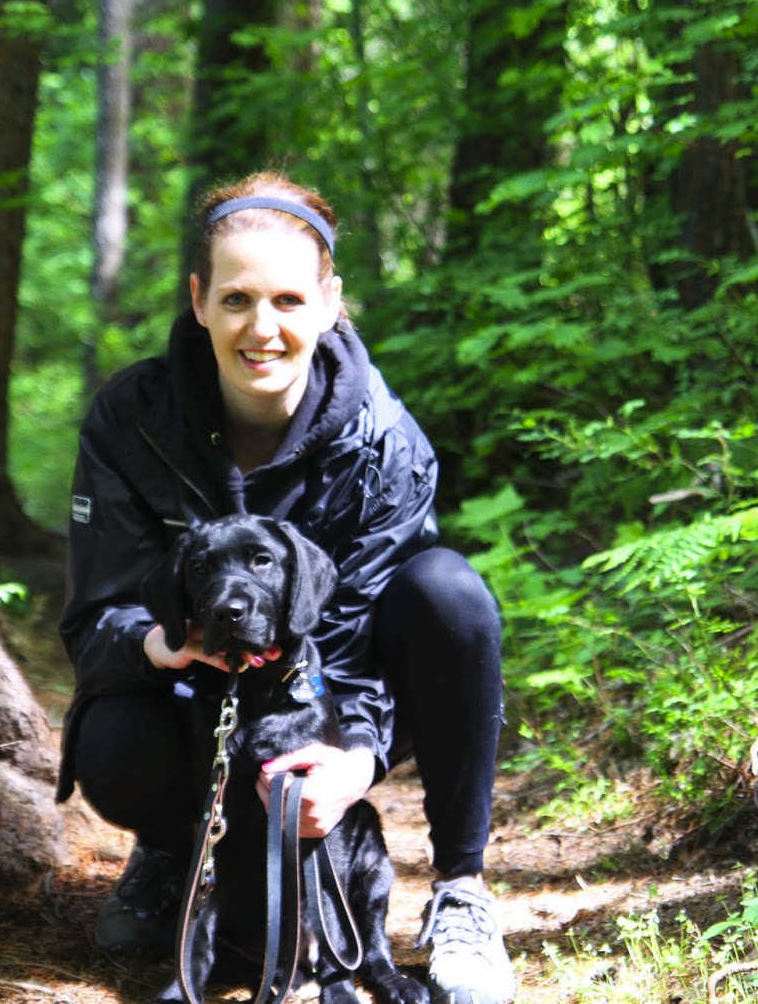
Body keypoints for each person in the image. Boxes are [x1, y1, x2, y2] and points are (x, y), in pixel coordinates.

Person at [55, 172, 514, 1004]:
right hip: (191, 697)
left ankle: (460, 890)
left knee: (451, 594)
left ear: (330, 303)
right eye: (236, 299)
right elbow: (95, 618)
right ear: (198, 301)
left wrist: (353, 760)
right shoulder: (132, 420)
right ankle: (180, 851)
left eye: (289, 301)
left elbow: (357, 637)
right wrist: (160, 643)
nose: (261, 328)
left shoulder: (386, 443)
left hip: (332, 695)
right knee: (113, 744)